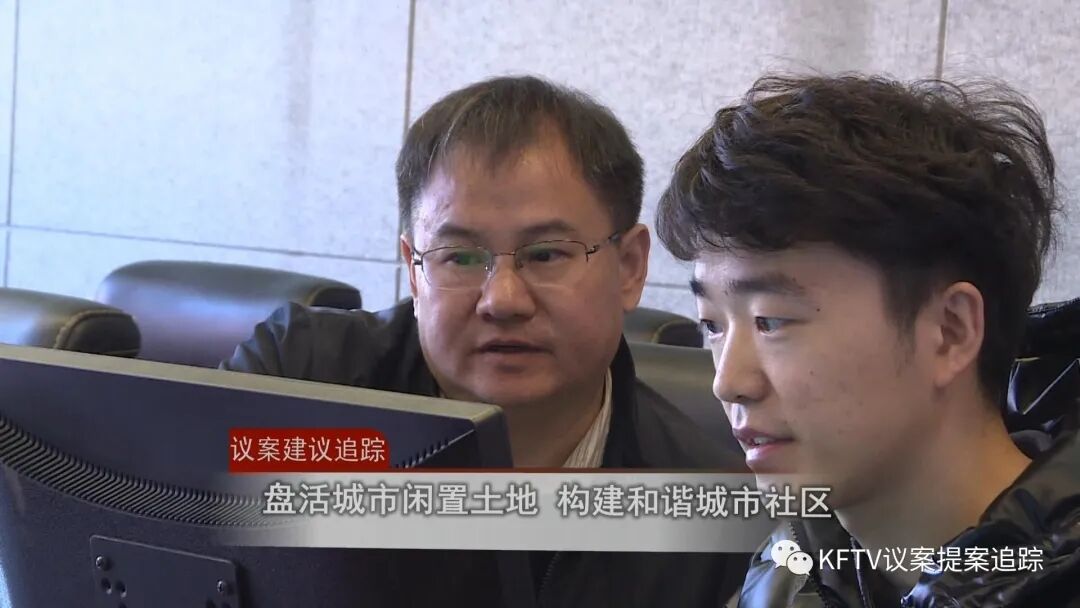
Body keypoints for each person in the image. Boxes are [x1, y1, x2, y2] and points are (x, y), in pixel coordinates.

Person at [224, 75, 747, 607]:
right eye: (461, 258)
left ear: (629, 267)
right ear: (414, 271)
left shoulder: (715, 519)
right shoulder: (293, 380)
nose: (502, 300)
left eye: (546, 254)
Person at [654, 74, 1080, 607]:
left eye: (771, 321)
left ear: (950, 332)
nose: (727, 382)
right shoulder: (790, 570)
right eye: (712, 325)